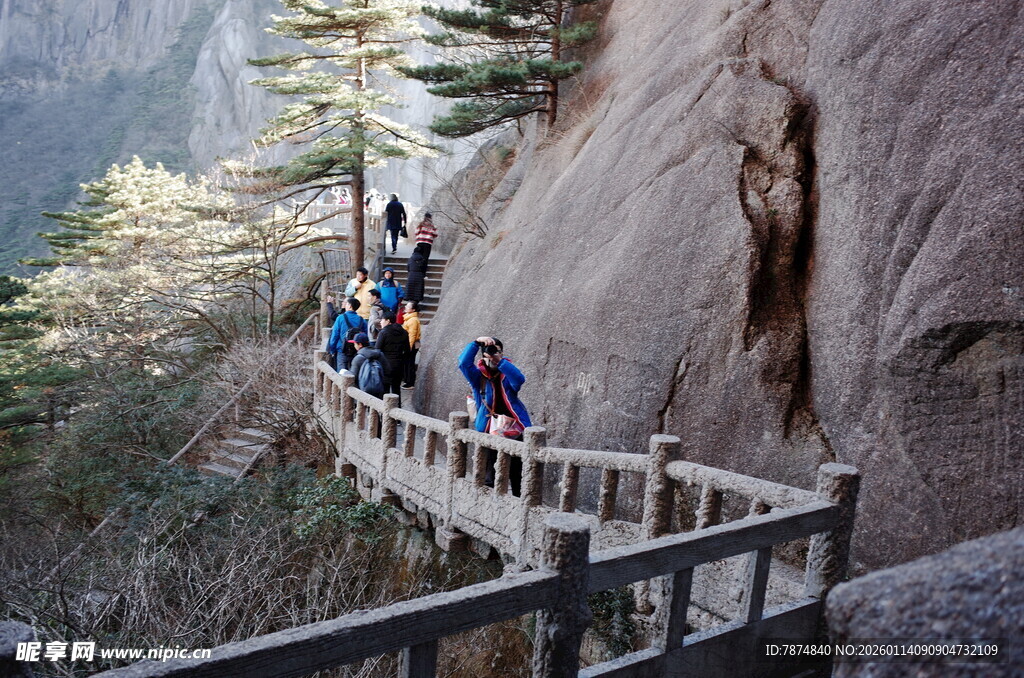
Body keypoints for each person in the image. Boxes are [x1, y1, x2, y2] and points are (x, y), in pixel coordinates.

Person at [458, 336, 531, 494]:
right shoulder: (478, 377)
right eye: (488, 352)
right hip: (488, 429)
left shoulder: (507, 373)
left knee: (516, 470)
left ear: (501, 353)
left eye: (495, 351)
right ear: (482, 355)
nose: (491, 354)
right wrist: (476, 343)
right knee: (489, 471)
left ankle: (518, 501)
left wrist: (500, 361)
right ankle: (487, 504)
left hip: (514, 427)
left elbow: (519, 380)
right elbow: (463, 363)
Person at [375, 311, 410, 405]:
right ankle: (397, 414)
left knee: (384, 389)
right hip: (399, 364)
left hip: (385, 364)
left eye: (382, 320)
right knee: (396, 389)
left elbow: (377, 349)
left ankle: (383, 413)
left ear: (388, 321)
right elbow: (407, 350)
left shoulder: (384, 332)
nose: (381, 322)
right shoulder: (404, 332)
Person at [327, 297, 367, 371]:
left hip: (342, 349)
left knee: (341, 373)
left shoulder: (340, 318)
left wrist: (332, 350)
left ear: (350, 306)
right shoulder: (362, 320)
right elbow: (365, 336)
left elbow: (335, 335)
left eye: (347, 303)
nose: (345, 305)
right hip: (356, 350)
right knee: (354, 372)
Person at [347, 333, 388, 399]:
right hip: (380, 389)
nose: (354, 345)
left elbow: (353, 376)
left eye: (355, 343)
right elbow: (387, 371)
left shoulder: (358, 358)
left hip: (363, 391)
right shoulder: (380, 354)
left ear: (360, 344)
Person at [401, 300, 421, 388]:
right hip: (409, 344)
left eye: (408, 307)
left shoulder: (413, 320)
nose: (405, 307)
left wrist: (408, 347)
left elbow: (412, 335)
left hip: (411, 345)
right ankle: (407, 380)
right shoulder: (409, 318)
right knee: (408, 363)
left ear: (413, 310)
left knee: (409, 363)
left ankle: (410, 382)